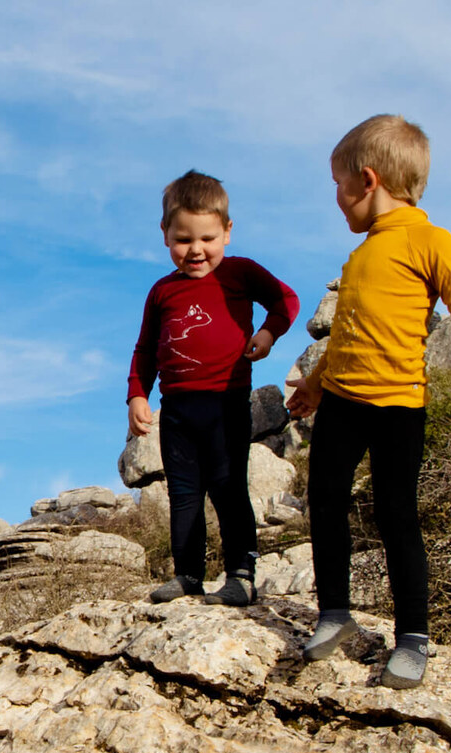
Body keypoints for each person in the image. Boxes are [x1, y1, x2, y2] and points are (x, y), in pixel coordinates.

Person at [286, 115, 451, 688]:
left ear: (366, 180)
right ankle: (334, 613)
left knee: (396, 514)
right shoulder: (360, 257)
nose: (335, 198)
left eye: (337, 184)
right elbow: (349, 334)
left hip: (400, 404)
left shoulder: (429, 240)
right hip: (343, 405)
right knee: (324, 500)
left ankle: (414, 639)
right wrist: (316, 384)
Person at [128, 169, 300, 606]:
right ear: (165, 234)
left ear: (227, 231)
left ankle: (241, 575)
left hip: (226, 403)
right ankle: (187, 575)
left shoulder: (240, 273)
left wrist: (268, 333)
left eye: (207, 238)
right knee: (184, 494)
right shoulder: (161, 292)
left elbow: (287, 300)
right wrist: (137, 393)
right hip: (178, 409)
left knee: (227, 487)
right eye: (183, 239)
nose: (196, 250)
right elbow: (146, 348)